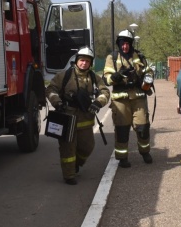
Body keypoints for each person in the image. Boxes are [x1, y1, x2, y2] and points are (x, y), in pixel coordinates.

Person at [45, 47, 110, 184]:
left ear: (90, 63)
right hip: (67, 118)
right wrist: (58, 103)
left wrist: (98, 103)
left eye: (87, 61)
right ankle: (69, 175)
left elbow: (105, 92)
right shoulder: (64, 76)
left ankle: (77, 164)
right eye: (82, 60)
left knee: (87, 147)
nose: (84, 63)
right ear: (76, 61)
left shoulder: (94, 78)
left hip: (86, 119)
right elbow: (51, 90)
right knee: (68, 148)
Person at [102, 30, 155, 168]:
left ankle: (145, 152)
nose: (125, 46)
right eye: (122, 43)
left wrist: (148, 78)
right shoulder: (112, 58)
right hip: (120, 100)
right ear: (118, 44)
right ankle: (122, 157)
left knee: (143, 127)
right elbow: (106, 79)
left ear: (131, 44)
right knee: (122, 130)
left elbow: (148, 71)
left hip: (138, 96)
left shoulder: (139, 56)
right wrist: (117, 76)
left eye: (127, 43)